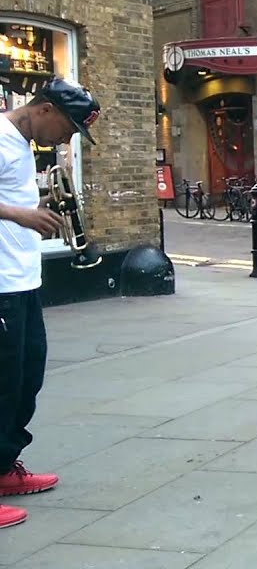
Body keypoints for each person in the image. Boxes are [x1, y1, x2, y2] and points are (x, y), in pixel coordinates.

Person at [0, 78, 100, 529]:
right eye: (69, 126)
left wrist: (39, 203)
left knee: (25, 378)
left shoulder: (22, 145)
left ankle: (4, 467)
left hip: (23, 279)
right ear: (43, 109)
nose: (69, 136)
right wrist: (20, 214)